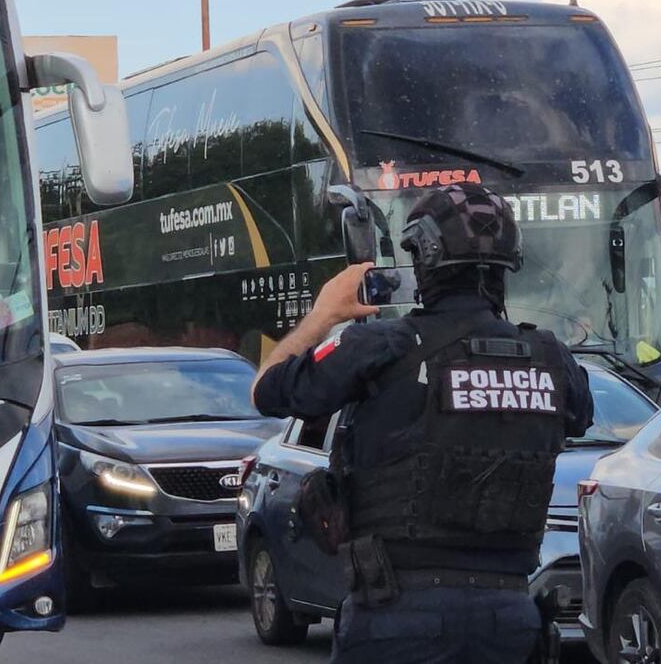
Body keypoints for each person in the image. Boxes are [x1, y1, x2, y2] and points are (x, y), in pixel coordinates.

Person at [252, 183, 594, 663]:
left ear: (426, 258)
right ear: (507, 264)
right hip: (509, 619)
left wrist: (324, 314)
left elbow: (267, 390)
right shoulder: (552, 359)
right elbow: (579, 417)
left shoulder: (381, 347)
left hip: (398, 618)